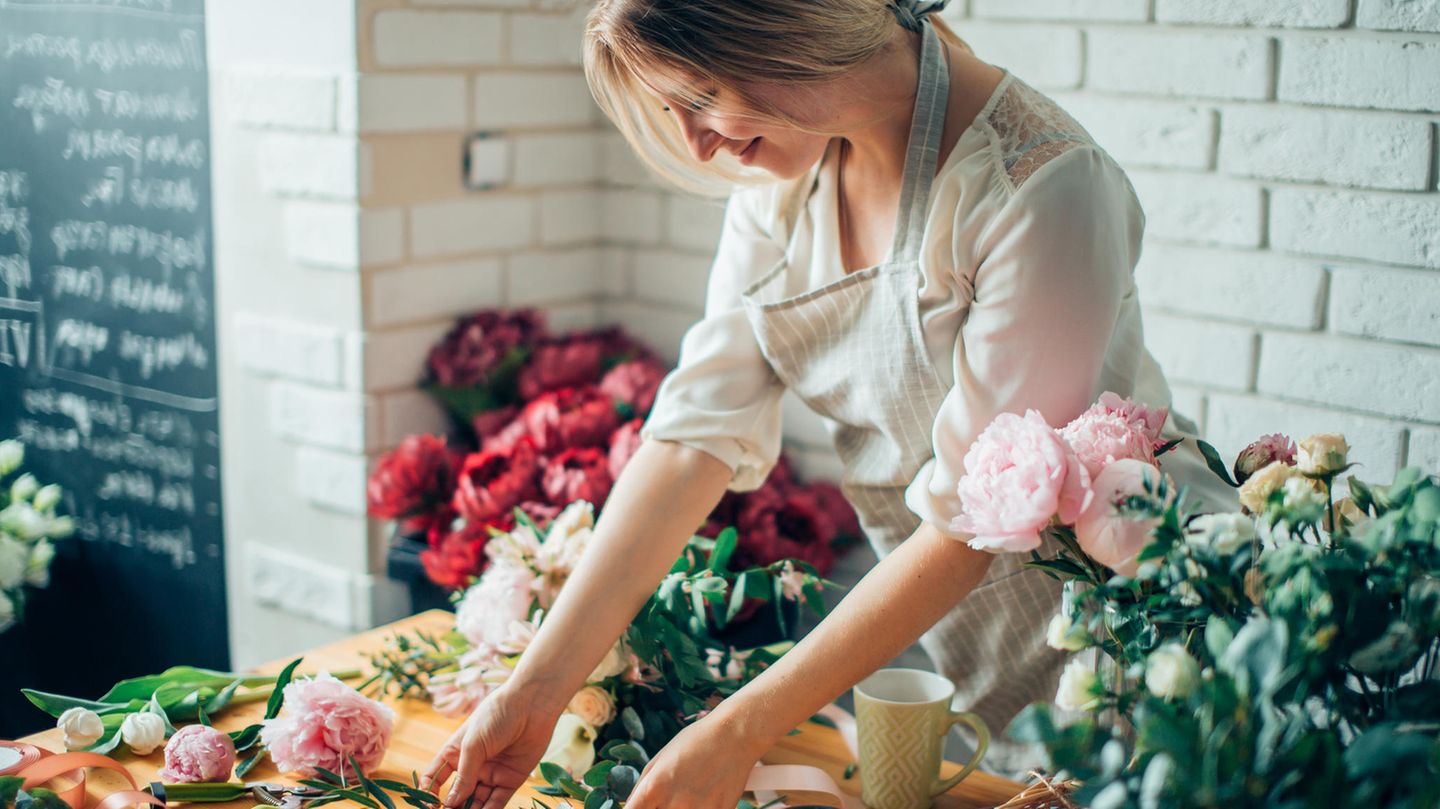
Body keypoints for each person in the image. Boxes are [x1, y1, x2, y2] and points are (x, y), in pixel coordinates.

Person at [420, 1, 1240, 807]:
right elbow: (689, 441)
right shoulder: (781, 186)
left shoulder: (1042, 186)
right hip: (976, 654)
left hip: (1141, 641)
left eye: (702, 98)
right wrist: (535, 691)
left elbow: (967, 527)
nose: (696, 143)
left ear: (783, 22)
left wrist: (738, 731)